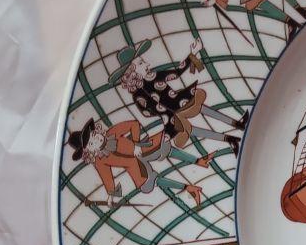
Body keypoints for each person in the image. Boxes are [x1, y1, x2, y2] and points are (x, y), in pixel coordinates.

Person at [108, 38, 244, 156]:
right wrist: (193, 54)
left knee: (190, 124)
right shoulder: (149, 81)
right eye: (141, 63)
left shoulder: (141, 90)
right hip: (176, 105)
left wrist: (160, 110)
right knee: (190, 123)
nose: (147, 64)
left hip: (171, 112)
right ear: (132, 71)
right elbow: (176, 73)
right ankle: (233, 131)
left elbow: (146, 113)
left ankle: (232, 133)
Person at [65, 115, 205, 208]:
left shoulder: (111, 133)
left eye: (94, 135)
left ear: (96, 131)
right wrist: (110, 196)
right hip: (133, 166)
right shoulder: (99, 161)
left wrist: (136, 143)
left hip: (141, 149)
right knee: (146, 184)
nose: (96, 140)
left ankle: (198, 160)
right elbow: (106, 177)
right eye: (91, 143)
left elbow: (133, 124)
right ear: (89, 151)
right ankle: (188, 188)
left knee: (163, 146)